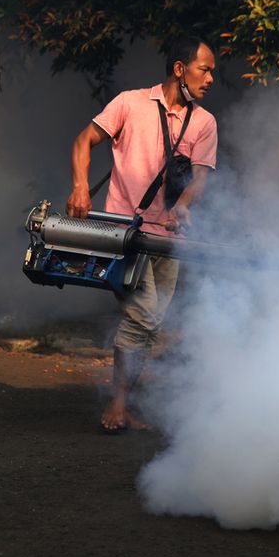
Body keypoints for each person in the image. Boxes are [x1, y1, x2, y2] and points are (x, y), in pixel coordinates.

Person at [67, 38, 218, 432]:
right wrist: (80, 186)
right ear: (180, 69)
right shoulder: (130, 103)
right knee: (143, 315)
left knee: (152, 322)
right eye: (204, 69)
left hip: (170, 239)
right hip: (123, 233)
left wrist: (182, 206)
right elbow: (84, 140)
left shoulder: (204, 122)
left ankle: (125, 404)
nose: (211, 78)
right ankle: (117, 404)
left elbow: (200, 178)